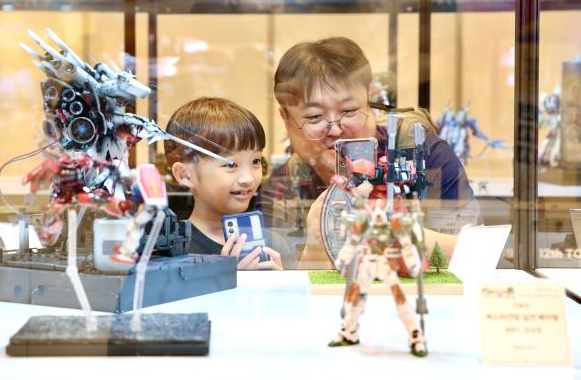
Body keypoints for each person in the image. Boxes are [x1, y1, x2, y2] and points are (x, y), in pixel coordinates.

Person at [260, 37, 480, 265]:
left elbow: (479, 251)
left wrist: (402, 235)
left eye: (349, 110)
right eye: (315, 116)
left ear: (369, 99)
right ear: (285, 119)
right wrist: (317, 245)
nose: (335, 129)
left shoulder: (424, 155)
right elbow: (282, 288)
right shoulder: (284, 187)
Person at [164, 97, 288, 270]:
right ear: (186, 175)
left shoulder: (274, 244)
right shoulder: (171, 252)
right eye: (230, 165)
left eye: (256, 161)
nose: (248, 179)